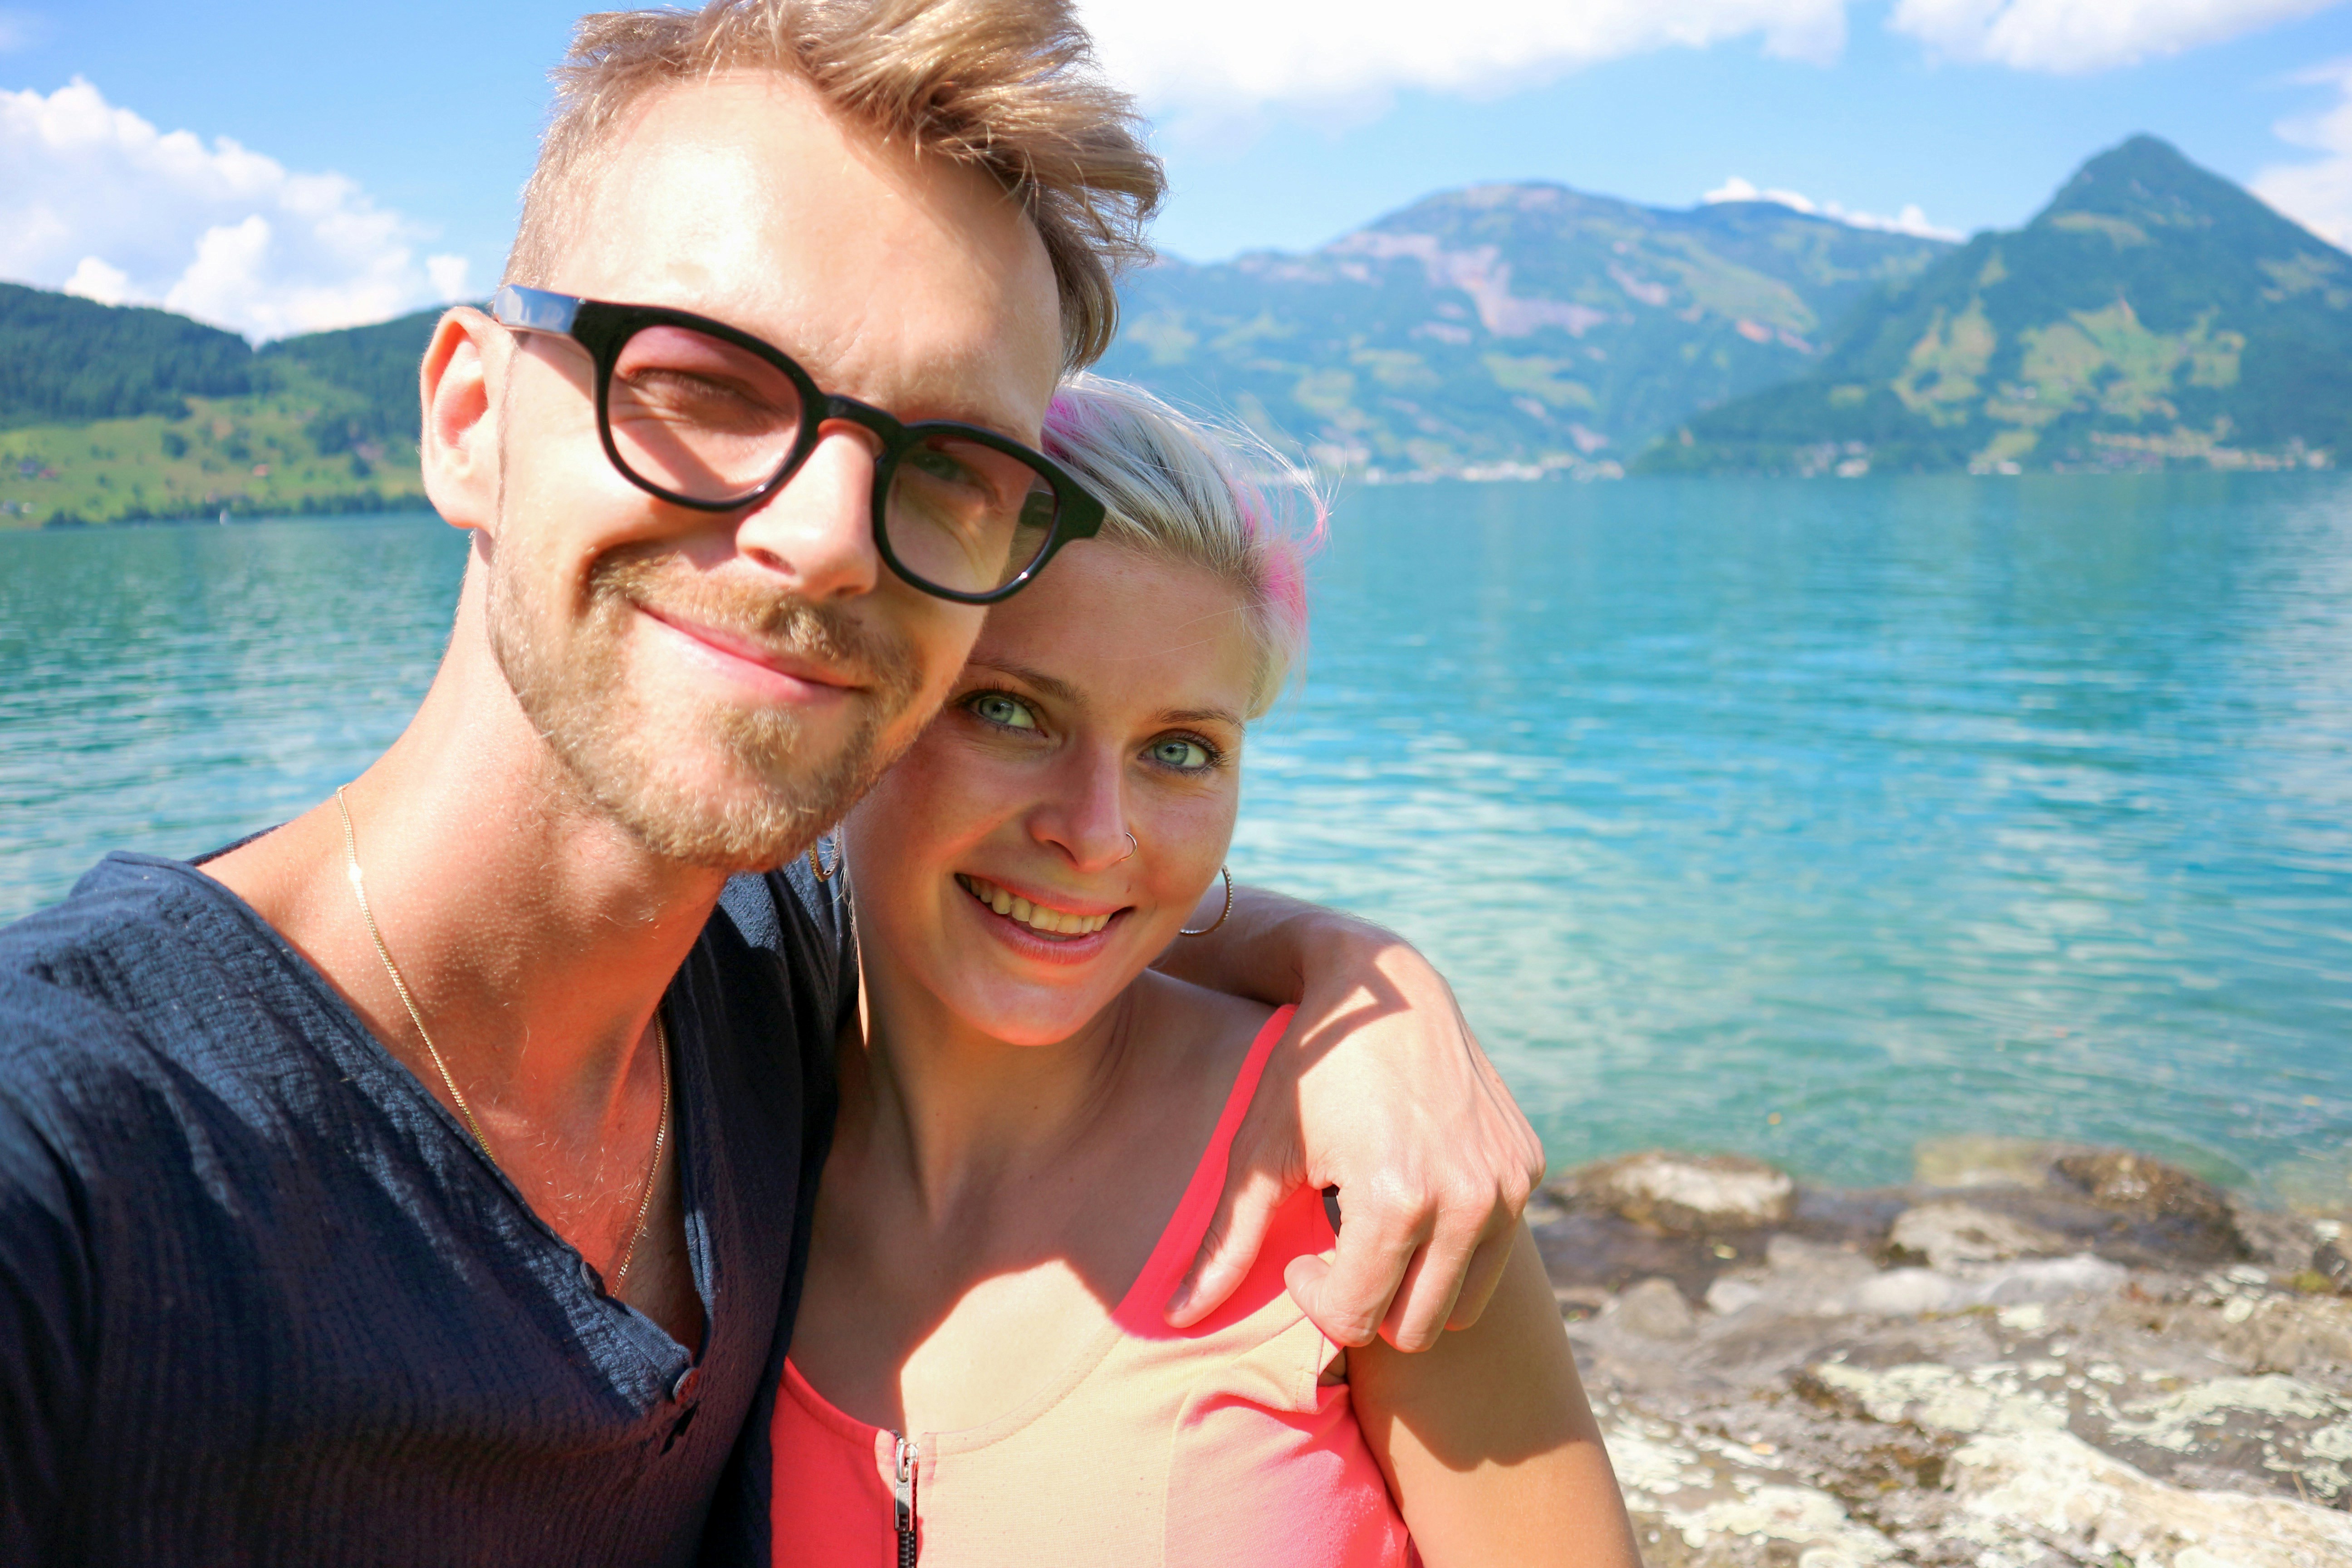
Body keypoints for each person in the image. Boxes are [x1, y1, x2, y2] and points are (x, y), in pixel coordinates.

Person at [0, 4, 1546, 1564]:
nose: (824, 539)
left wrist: (1366, 992)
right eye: (707, 384)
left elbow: (1056, 878)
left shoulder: (762, 991)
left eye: (947, 464)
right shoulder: (73, 1163)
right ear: (472, 420)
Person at [770, 378, 1638, 1567]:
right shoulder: (710, 1141)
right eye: (1009, 712)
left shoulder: (1362, 1181)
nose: (1098, 834)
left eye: (1181, 749)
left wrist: (1372, 975)